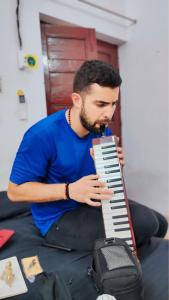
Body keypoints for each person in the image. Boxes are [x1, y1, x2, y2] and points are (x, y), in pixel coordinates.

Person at [7, 60, 167, 252]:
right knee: (147, 223)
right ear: (77, 99)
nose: (108, 114)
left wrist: (114, 167)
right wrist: (69, 190)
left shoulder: (101, 129)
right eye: (100, 104)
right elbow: (15, 192)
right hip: (59, 217)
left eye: (113, 104)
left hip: (92, 202)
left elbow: (101, 181)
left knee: (158, 221)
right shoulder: (41, 135)